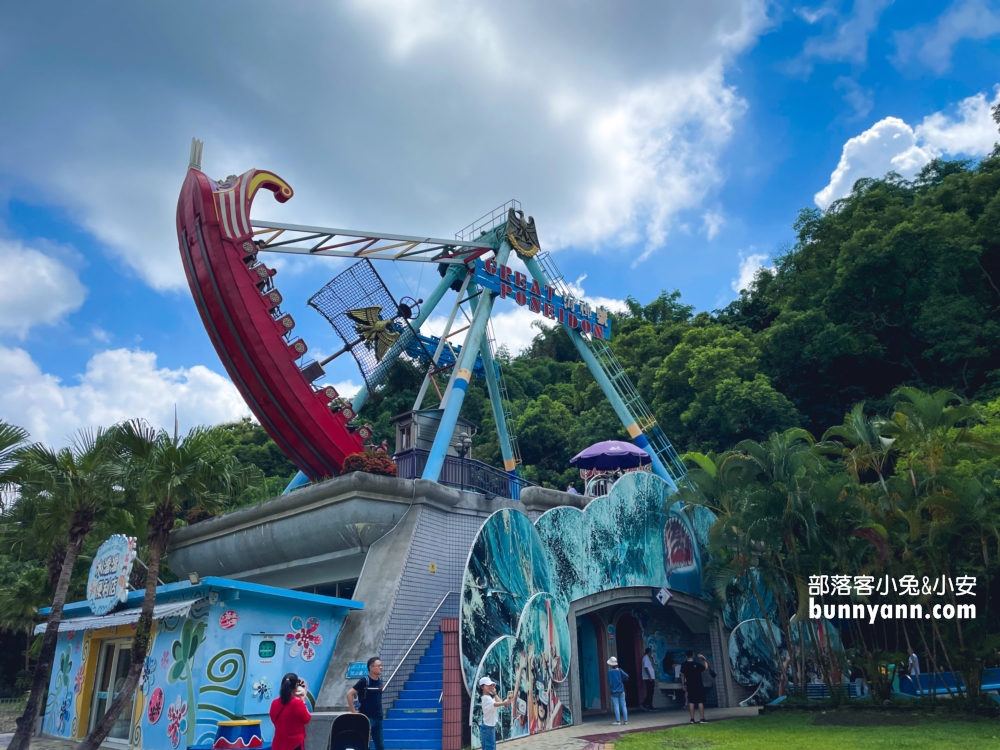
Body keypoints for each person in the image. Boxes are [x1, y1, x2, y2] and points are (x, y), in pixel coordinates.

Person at [347, 657, 384, 750]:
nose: (381, 667)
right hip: (367, 718)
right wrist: (353, 711)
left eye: (381, 665)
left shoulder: (380, 680)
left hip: (378, 717)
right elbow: (349, 694)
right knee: (364, 744)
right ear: (371, 668)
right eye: (378, 666)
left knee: (380, 746)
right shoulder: (365, 681)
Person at [270, 673, 311, 750]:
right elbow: (307, 719)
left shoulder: (274, 703)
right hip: (294, 744)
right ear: (296, 686)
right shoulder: (298, 703)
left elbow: (273, 720)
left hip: (278, 745)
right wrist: (303, 700)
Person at [478, 676, 513, 750]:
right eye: (487, 685)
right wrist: (504, 703)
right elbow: (495, 704)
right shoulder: (485, 698)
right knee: (490, 748)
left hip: (490, 727)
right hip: (488, 728)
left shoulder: (489, 697)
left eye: (491, 685)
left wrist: (495, 694)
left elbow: (498, 702)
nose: (490, 686)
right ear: (482, 687)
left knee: (491, 747)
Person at [679, 651, 710, 724]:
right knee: (700, 701)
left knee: (691, 701)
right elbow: (706, 668)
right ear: (692, 655)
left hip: (690, 684)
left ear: (686, 656)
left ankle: (692, 719)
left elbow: (682, 675)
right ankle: (702, 719)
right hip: (699, 684)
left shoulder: (684, 665)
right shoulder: (696, 664)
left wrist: (683, 684)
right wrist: (704, 659)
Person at [606, 656, 628, 726]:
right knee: (623, 705)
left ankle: (618, 721)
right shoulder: (620, 670)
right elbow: (627, 676)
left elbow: (609, 681)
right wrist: (622, 679)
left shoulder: (609, 672)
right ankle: (626, 720)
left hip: (614, 691)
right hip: (621, 690)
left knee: (616, 706)